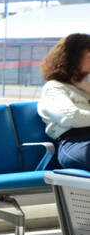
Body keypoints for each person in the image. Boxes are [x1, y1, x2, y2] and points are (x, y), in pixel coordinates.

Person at [37, 32, 90, 171]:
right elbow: (71, 117)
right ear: (73, 59)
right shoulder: (54, 87)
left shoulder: (86, 87)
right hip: (76, 142)